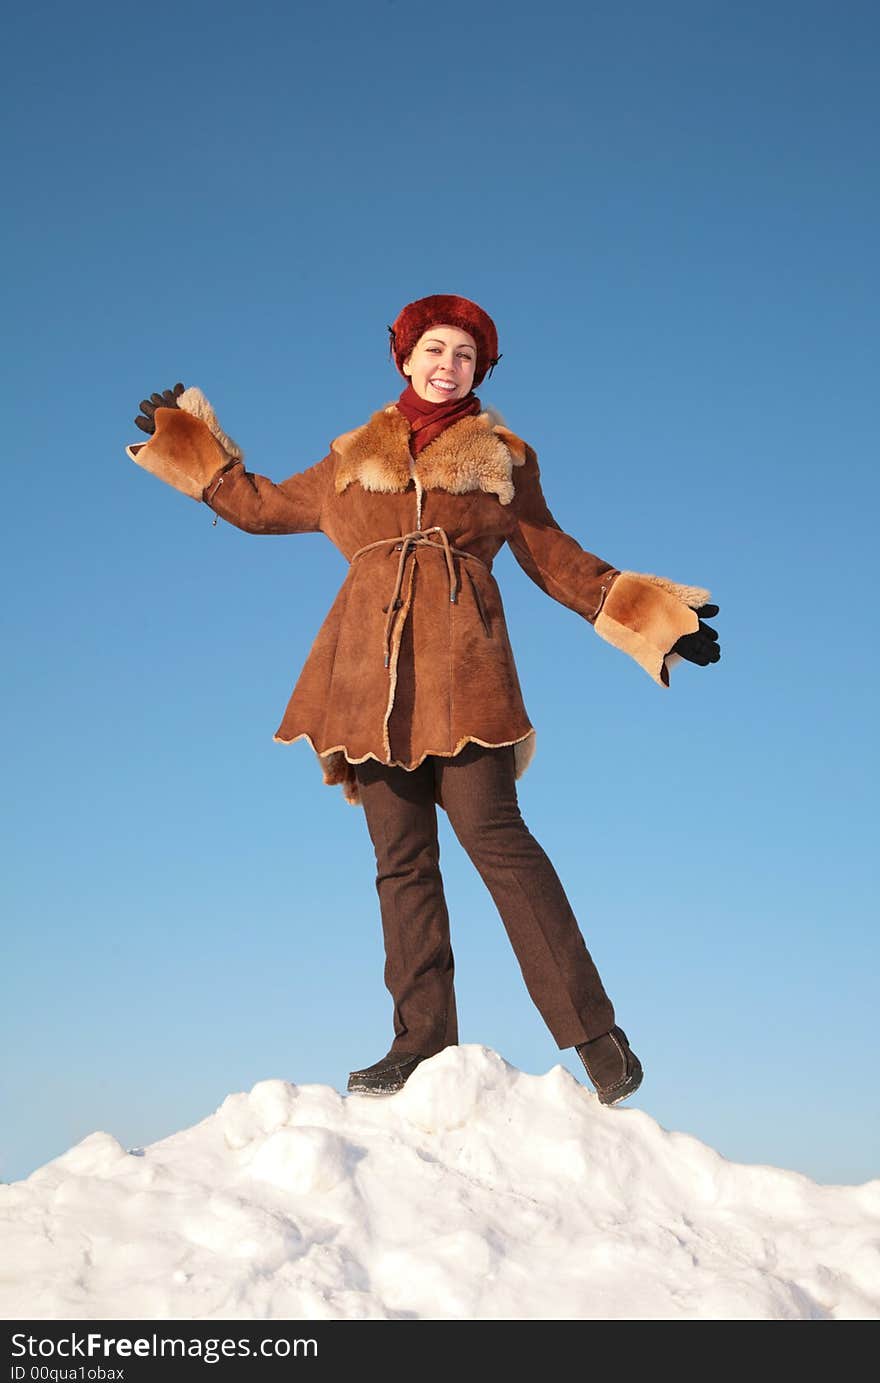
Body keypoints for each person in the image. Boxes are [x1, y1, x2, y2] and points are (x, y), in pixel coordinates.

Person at [126, 293, 720, 1107]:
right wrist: (190, 447)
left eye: (465, 356)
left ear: (480, 370)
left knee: (497, 839)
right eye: (435, 350)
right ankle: (421, 1042)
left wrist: (652, 618)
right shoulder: (348, 462)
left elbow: (555, 558)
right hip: (364, 683)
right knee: (400, 862)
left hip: (465, 675)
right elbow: (259, 506)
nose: (448, 366)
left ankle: (594, 1033)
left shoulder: (503, 460)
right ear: (406, 358)